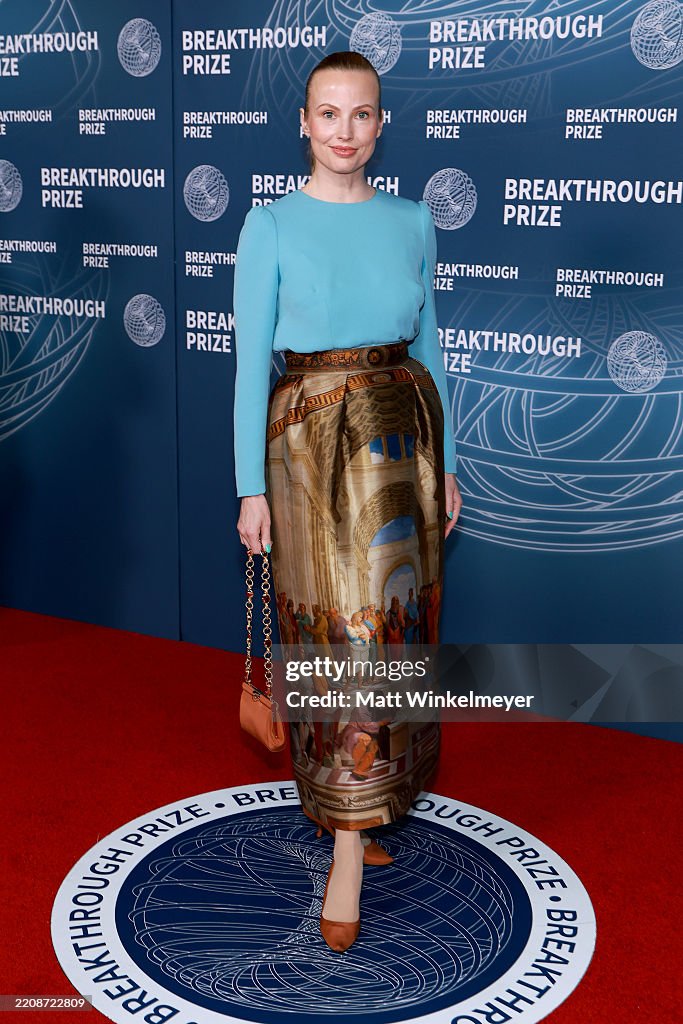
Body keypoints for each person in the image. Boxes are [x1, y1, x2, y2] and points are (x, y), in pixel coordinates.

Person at [233, 50, 463, 952]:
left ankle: (362, 812)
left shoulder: (412, 222)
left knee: (394, 630)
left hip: (400, 441)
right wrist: (248, 486)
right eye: (326, 114)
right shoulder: (270, 226)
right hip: (304, 450)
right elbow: (251, 363)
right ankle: (343, 837)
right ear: (302, 123)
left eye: (359, 115)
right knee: (329, 632)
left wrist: (446, 464)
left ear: (381, 125)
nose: (342, 131)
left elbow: (431, 345)